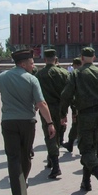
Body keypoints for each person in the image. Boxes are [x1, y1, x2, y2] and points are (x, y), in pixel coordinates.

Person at [0, 49, 56, 195]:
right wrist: (50, 123)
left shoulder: (2, 77)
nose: (33, 65)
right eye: (31, 63)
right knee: (25, 156)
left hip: (9, 122)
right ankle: (22, 185)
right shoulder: (32, 80)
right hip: (27, 123)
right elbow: (41, 104)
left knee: (13, 158)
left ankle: (19, 194)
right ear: (23, 64)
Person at [59, 47, 98, 195]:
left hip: (86, 116)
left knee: (85, 149)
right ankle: (86, 181)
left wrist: (62, 114)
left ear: (82, 58)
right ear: (95, 57)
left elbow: (66, 95)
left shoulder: (77, 74)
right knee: (95, 147)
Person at [35, 49, 69, 179]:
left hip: (46, 108)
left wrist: (35, 106)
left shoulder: (39, 75)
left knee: (50, 134)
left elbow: (35, 94)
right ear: (56, 59)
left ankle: (55, 164)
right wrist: (66, 111)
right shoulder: (64, 73)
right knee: (58, 133)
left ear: (45, 60)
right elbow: (68, 94)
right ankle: (52, 157)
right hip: (60, 107)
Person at [62, 57, 82, 152]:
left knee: (76, 124)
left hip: (78, 105)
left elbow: (69, 94)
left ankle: (70, 143)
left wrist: (71, 110)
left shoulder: (74, 75)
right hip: (90, 106)